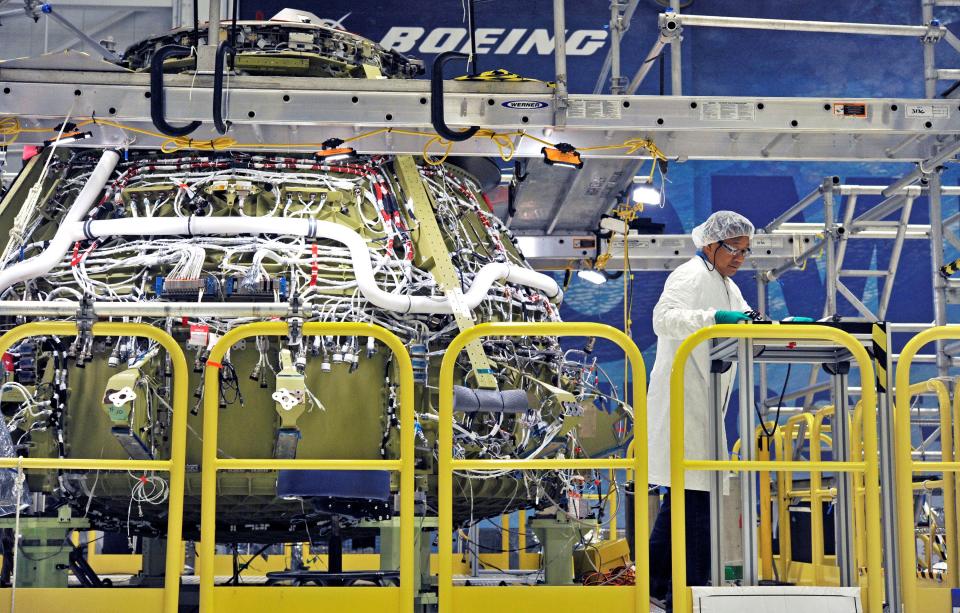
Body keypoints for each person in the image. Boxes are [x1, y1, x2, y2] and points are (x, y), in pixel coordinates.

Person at [646, 210, 755, 609]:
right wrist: (713, 319)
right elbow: (664, 318)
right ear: (711, 244)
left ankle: (665, 586)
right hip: (684, 401)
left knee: (694, 499)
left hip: (706, 406)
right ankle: (685, 587)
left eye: (746, 250)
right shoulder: (690, 275)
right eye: (734, 249)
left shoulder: (727, 286)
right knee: (692, 501)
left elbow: (741, 319)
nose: (740, 257)